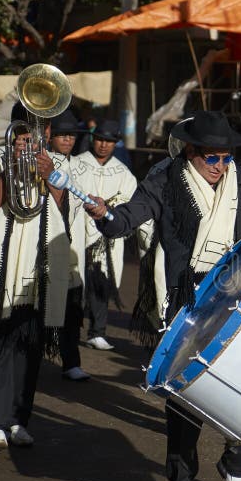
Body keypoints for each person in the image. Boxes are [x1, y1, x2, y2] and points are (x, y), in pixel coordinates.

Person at [84, 111, 241, 481]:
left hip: (236, 292)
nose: (221, 166)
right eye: (212, 158)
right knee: (184, 400)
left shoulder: (239, 178)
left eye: (226, 157)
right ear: (191, 151)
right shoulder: (166, 176)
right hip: (187, 297)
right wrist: (105, 216)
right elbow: (130, 215)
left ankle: (236, 464)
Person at [0, 117, 71, 452]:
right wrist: (10, 171)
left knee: (29, 347)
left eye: (33, 139)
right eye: (21, 140)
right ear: (11, 139)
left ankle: (17, 420)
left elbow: (61, 208)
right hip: (1, 268)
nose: (27, 146)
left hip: (37, 266)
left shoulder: (49, 163)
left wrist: (47, 175)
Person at [75, 119, 138, 351]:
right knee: (74, 283)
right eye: (100, 139)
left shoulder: (123, 172)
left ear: (115, 143)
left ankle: (97, 331)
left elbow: (130, 200)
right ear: (93, 139)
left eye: (109, 141)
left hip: (106, 238)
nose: (103, 145)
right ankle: (69, 331)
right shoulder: (77, 163)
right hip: (78, 233)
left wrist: (111, 205)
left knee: (101, 282)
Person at [48, 109, 91, 381]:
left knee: (72, 306)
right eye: (62, 134)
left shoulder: (80, 165)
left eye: (71, 135)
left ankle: (70, 361)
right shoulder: (42, 162)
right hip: (48, 244)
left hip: (75, 247)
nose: (67, 140)